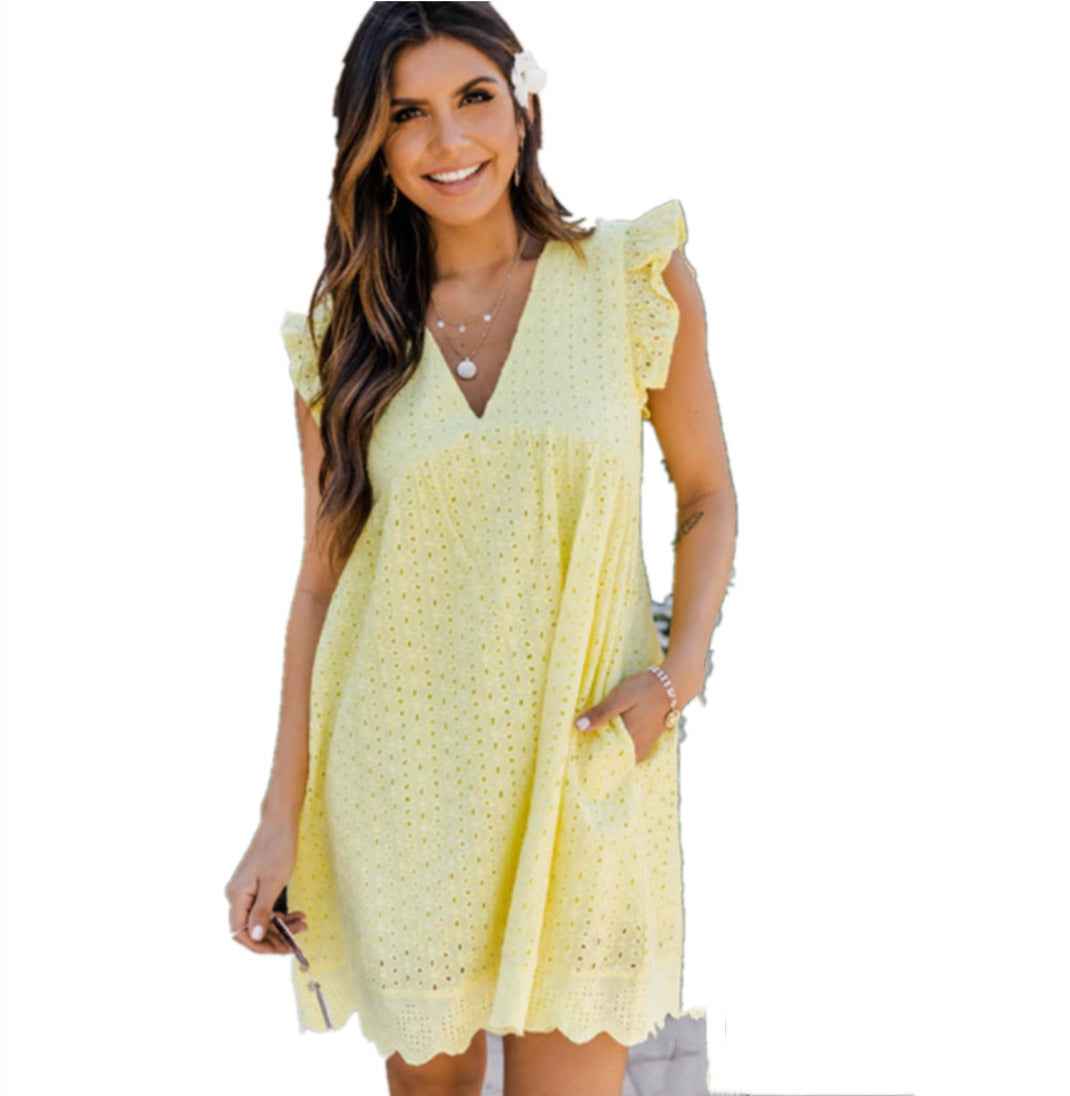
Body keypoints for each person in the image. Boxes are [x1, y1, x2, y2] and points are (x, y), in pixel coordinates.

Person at [225, 4, 737, 1094]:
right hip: (404, 782)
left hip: (585, 762)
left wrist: (678, 673)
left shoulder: (631, 281)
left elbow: (705, 497)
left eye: (473, 99)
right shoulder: (348, 336)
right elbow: (321, 583)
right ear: (372, 143)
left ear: (524, 106)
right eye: (407, 114)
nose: (447, 140)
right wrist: (277, 820)